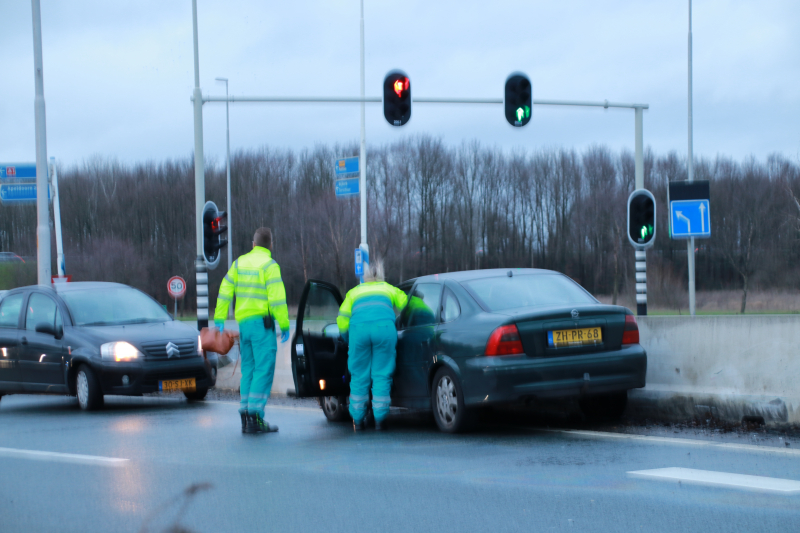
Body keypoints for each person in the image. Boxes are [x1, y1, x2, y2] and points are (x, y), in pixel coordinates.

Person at [214, 227, 290, 434]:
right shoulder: (270, 265)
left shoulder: (239, 263)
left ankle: (245, 415)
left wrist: (219, 318)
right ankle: (255, 417)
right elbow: (277, 299)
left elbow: (225, 289)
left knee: (248, 369)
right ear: (270, 245)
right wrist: (284, 324)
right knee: (263, 369)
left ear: (253, 244)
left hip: (244, 327)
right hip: (262, 327)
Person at [336, 259, 407, 431]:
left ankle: (358, 420)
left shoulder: (354, 292)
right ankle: (380, 420)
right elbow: (405, 302)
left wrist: (347, 337)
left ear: (364, 277)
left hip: (358, 332)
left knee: (359, 376)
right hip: (384, 329)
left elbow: (342, 320)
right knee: (382, 374)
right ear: (381, 276)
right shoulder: (388, 288)